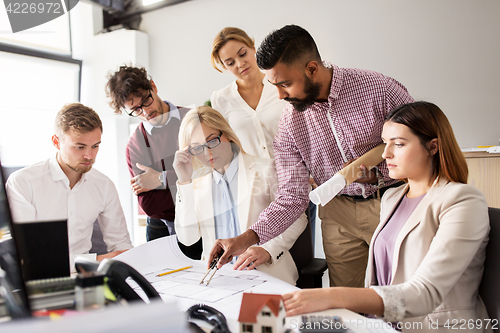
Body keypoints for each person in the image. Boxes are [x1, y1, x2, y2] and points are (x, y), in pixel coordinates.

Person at [208, 24, 414, 288]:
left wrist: (379, 174)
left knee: (401, 292)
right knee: (346, 300)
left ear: (312, 69)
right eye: (275, 85)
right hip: (337, 213)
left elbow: (420, 143)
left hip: (391, 201)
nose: (280, 95)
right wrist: (246, 238)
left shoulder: (379, 89)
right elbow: (291, 196)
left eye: (285, 84)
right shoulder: (290, 123)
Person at [282, 101, 491, 332]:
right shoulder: (392, 197)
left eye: (399, 144)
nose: (385, 153)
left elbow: (425, 294)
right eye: (385, 143)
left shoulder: (463, 200)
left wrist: (331, 296)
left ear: (433, 147)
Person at [173, 106, 307, 285]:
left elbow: (297, 217)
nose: (207, 153)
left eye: (212, 141)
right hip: (219, 282)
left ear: (226, 134)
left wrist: (267, 250)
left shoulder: (265, 169)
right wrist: (184, 181)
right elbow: (187, 240)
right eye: (197, 148)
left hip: (266, 274)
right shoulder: (194, 185)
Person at [210, 26, 318, 247]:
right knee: (261, 249)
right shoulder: (221, 99)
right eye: (230, 62)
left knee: (301, 252)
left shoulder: (281, 83)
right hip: (256, 189)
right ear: (223, 67)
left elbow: (308, 128)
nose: (240, 64)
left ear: (253, 47)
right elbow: (229, 147)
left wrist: (312, 169)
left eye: (242, 54)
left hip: (300, 179)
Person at [6, 103, 133, 265]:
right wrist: (95, 260)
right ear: (56, 142)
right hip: (40, 276)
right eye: (80, 147)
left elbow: (121, 244)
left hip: (86, 276)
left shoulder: (104, 185)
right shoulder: (23, 182)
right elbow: (26, 253)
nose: (89, 155)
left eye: (95, 146)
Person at [105, 65, 192, 244]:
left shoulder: (192, 120)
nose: (145, 112)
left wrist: (161, 180)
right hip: (162, 226)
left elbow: (212, 173)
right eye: (135, 109)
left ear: (153, 86)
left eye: (146, 100)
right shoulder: (135, 145)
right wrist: (188, 179)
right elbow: (150, 205)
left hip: (203, 215)